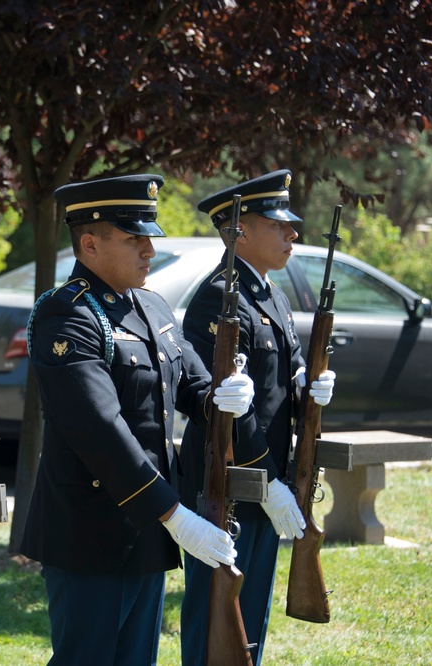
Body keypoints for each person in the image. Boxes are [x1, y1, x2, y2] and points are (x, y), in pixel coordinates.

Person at [17, 174, 255, 665]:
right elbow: (99, 428)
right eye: (133, 238)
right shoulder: (69, 315)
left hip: (146, 532)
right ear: (89, 243)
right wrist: (174, 515)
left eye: (149, 236)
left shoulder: (150, 304)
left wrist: (225, 395)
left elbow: (191, 386)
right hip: (90, 533)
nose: (149, 249)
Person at [178, 169, 336, 665]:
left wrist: (306, 387)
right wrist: (268, 482)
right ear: (238, 230)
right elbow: (226, 407)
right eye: (278, 224)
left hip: (270, 484)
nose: (293, 233)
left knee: (250, 622)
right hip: (226, 484)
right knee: (216, 621)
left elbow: (274, 387)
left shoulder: (271, 294)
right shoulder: (217, 298)